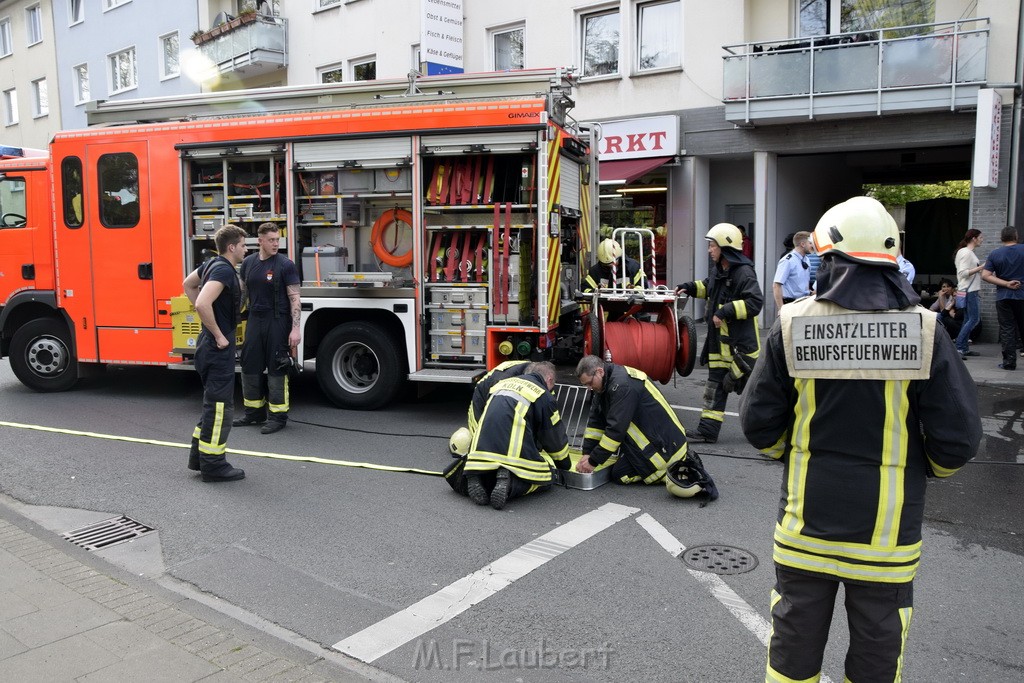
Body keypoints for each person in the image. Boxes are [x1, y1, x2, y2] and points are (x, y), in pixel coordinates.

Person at [740, 196, 981, 683]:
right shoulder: (926, 329)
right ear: (892, 259)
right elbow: (958, 439)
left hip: (805, 526)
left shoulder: (793, 324)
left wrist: (790, 455)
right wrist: (925, 468)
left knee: (792, 649)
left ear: (825, 257)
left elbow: (758, 423)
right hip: (887, 538)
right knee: (877, 651)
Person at [574, 355, 717, 502]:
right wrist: (587, 453)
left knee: (619, 475)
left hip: (664, 448)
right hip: (658, 439)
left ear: (599, 372)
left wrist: (593, 461)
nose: (589, 388)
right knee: (618, 469)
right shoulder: (606, 384)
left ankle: (665, 471)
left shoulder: (622, 386)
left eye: (590, 383)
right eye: (585, 385)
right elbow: (595, 423)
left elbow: (615, 431)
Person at [675, 223, 762, 444]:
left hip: (741, 348)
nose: (709, 249)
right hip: (720, 346)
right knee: (715, 386)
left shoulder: (744, 272)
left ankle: (775, 430)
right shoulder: (719, 271)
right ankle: (708, 431)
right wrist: (689, 287)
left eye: (712, 245)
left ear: (725, 247)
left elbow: (755, 303)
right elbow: (708, 287)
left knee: (756, 391)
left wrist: (725, 311)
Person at [182, 224, 250, 483]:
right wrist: (220, 335)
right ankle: (214, 466)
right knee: (221, 408)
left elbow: (188, 284)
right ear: (231, 247)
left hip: (207, 345)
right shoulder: (222, 269)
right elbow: (201, 302)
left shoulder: (211, 264)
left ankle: (199, 459)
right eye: (243, 245)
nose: (246, 249)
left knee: (212, 405)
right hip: (216, 347)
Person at [463, 361, 570, 510]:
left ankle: (474, 474)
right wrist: (565, 465)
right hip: (511, 455)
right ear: (550, 380)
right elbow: (554, 439)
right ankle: (510, 482)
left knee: (488, 468)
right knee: (546, 477)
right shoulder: (543, 395)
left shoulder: (500, 383)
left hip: (478, 453)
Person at [233, 223, 301, 434]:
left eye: (277, 240)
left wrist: (296, 329)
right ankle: (254, 413)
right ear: (260, 241)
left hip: (277, 321)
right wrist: (233, 316)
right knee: (249, 365)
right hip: (254, 319)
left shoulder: (285, 265)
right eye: (271, 240)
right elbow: (243, 293)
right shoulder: (248, 263)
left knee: (277, 367)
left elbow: (295, 299)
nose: (275, 244)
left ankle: (278, 417)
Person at [981, 225, 1024, 371]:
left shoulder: (995, 254)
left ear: (1001, 238)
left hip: (1003, 296)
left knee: (1007, 329)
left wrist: (1006, 283)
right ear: (1016, 236)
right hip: (1022, 294)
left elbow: (985, 275)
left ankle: (1009, 362)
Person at [953, 228, 985, 360]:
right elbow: (963, 273)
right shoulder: (966, 253)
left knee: (968, 319)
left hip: (966, 290)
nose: (982, 240)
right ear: (974, 238)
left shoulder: (965, 252)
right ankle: (959, 347)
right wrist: (981, 267)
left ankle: (964, 348)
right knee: (974, 319)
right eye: (980, 237)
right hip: (970, 291)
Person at [772, 230, 812, 312]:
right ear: (803, 244)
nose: (812, 245)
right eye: (810, 243)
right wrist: (781, 309)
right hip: (791, 304)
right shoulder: (788, 261)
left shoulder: (807, 259)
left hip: (804, 303)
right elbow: (776, 285)